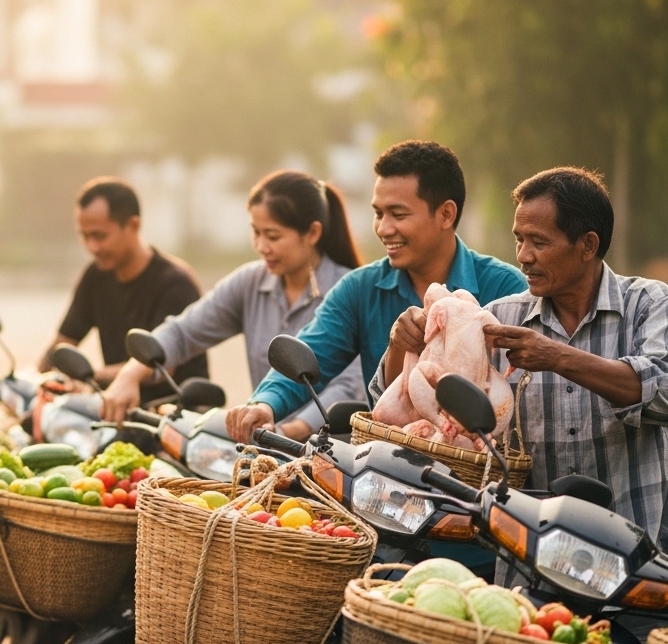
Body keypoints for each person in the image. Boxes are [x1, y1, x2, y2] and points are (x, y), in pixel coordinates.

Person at [226, 140, 527, 441]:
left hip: (482, 464)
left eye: (398, 214)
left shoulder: (506, 288)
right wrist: (265, 404)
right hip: (384, 462)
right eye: (379, 213)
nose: (383, 228)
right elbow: (314, 349)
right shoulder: (359, 289)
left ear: (446, 214)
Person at [100, 170, 366, 439]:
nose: (261, 246)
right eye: (256, 233)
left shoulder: (349, 290)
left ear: (312, 233)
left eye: (273, 236)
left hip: (331, 449)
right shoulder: (250, 282)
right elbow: (184, 332)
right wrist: (130, 374)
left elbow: (348, 386)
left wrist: (287, 431)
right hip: (265, 441)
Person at [483, 167, 668, 551]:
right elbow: (429, 405)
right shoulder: (501, 318)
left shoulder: (648, 304)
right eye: (519, 239)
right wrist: (405, 341)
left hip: (634, 550)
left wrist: (557, 357)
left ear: (587, 245)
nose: (523, 256)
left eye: (539, 241)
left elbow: (663, 391)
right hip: (530, 553)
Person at [39, 177, 208, 398]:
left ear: (133, 225)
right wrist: (38, 378)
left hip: (175, 411)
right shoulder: (95, 276)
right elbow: (63, 342)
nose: (92, 247)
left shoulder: (175, 283)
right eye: (85, 236)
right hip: (118, 405)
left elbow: (162, 366)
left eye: (100, 236)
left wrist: (90, 376)